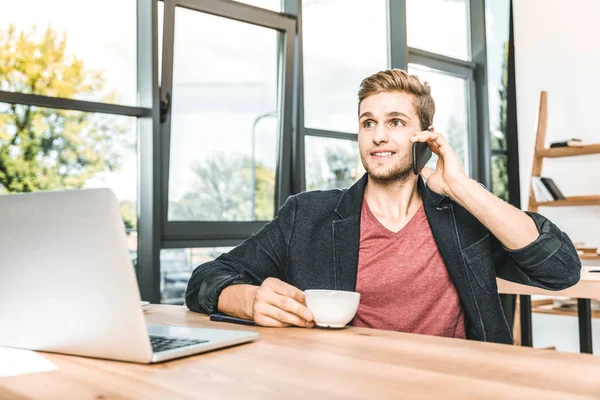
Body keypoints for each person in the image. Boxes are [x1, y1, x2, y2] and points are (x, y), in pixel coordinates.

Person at [185, 69, 580, 344]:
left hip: (455, 385)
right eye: (368, 122)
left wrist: (462, 188)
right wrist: (249, 300)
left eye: (394, 122)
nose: (378, 136)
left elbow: (560, 269)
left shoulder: (462, 217)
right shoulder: (307, 216)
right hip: (347, 383)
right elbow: (205, 279)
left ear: (423, 135)